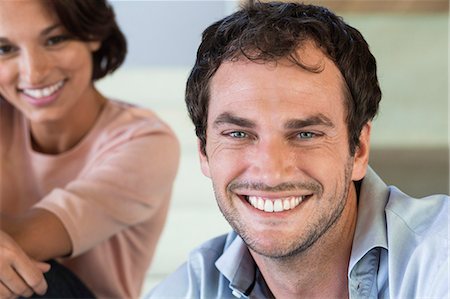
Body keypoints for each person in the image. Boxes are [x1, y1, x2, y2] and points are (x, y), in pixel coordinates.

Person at [148, 1, 449, 298]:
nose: (271, 172)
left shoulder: (439, 259)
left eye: (306, 134)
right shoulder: (191, 288)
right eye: (238, 133)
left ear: (358, 149)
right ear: (204, 152)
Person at [0, 0, 179, 298]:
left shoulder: (146, 140)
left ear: (93, 35)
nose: (33, 73)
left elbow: (22, 243)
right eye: (4, 50)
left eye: (55, 40)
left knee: (24, 269)